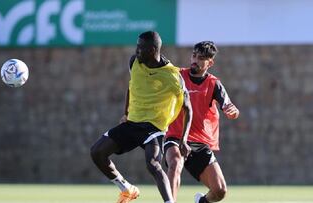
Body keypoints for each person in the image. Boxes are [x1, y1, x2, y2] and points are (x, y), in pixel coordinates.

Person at [90, 31, 193, 203]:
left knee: (153, 164)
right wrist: (126, 113)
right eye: (137, 47)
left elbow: (188, 108)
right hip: (132, 124)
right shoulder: (134, 62)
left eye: (140, 48)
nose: (136, 51)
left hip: (153, 128)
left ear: (152, 50)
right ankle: (127, 189)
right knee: (97, 152)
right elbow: (133, 87)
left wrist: (184, 140)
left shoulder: (173, 76)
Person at [164, 41, 240, 203]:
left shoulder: (214, 84)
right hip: (175, 136)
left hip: (199, 143)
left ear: (210, 63)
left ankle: (201, 202)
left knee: (219, 191)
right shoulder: (177, 76)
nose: (195, 60)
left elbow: (228, 104)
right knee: (176, 162)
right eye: (193, 56)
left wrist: (232, 111)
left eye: (201, 58)